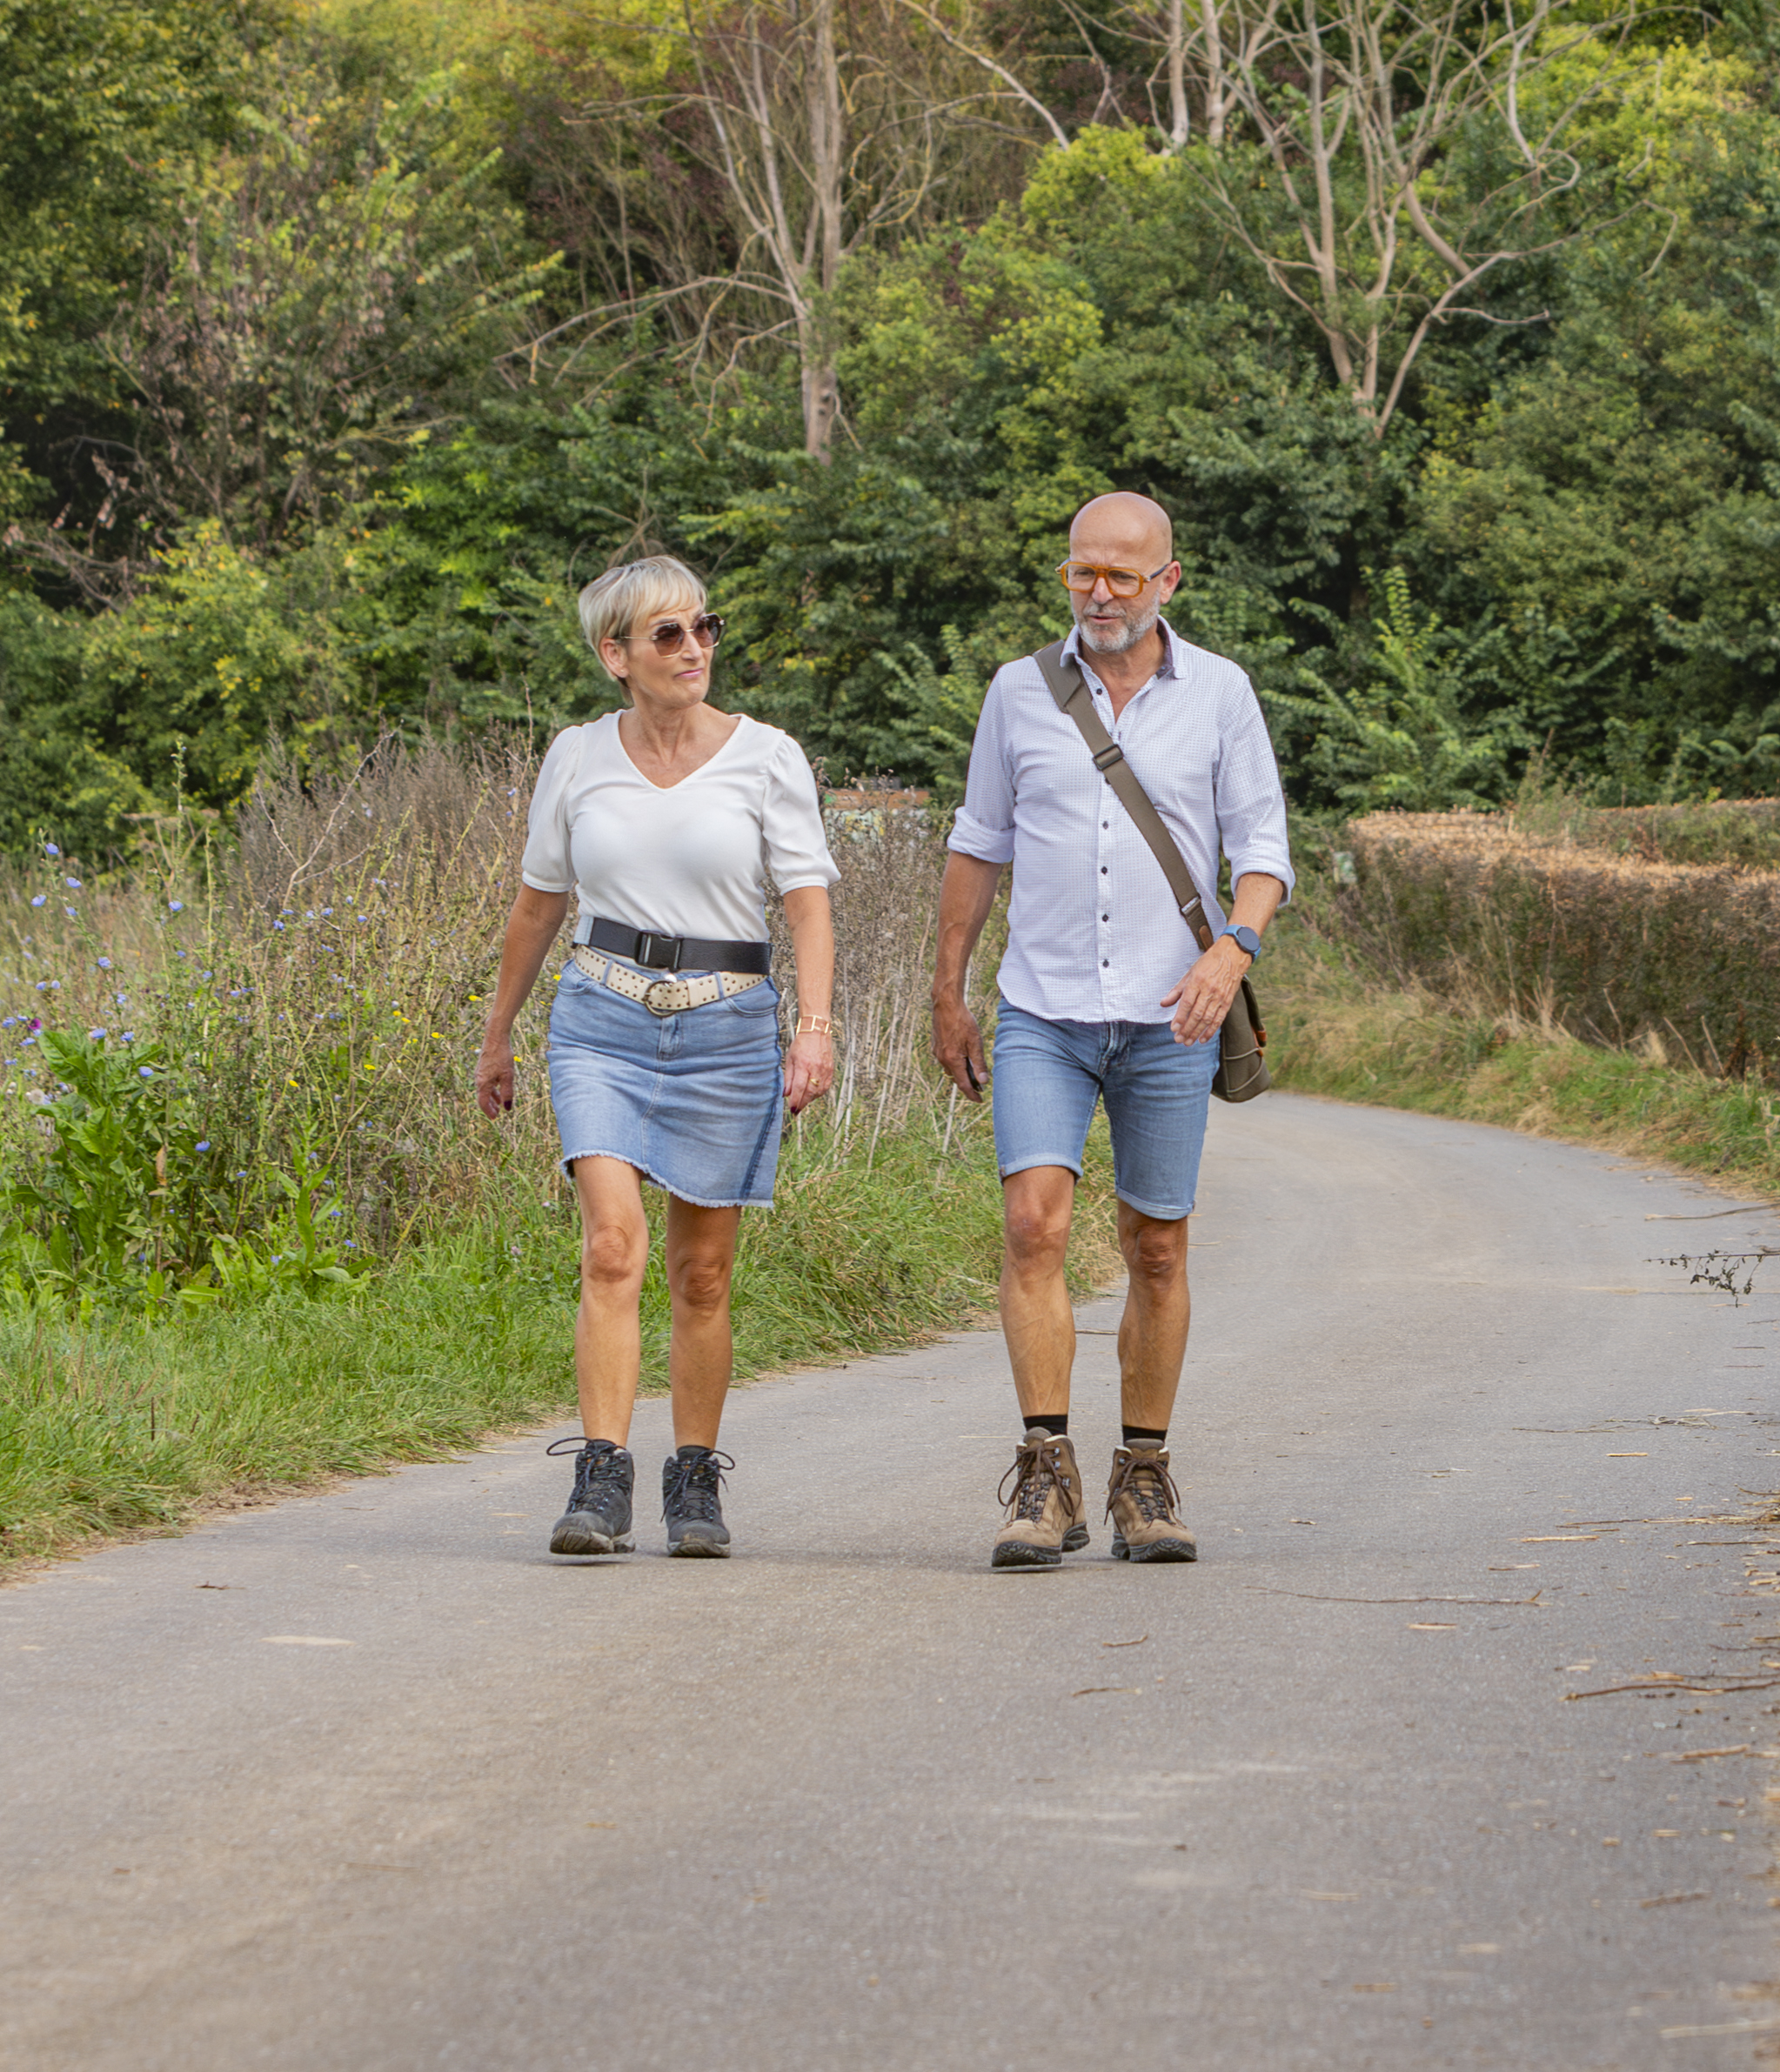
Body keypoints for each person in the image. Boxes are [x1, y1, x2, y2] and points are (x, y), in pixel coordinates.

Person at [927, 490, 1289, 1568]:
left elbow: (1262, 849)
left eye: (1120, 575)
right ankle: (1046, 1474)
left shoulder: (1220, 693)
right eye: (1080, 571)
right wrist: (947, 991)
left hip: (1171, 1018)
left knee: (1157, 1247)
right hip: (1041, 1009)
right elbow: (977, 842)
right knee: (1032, 1228)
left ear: (1165, 581)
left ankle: (1143, 1474)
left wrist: (1232, 950)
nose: (1097, 593)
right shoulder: (1016, 691)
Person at [476, 556, 840, 1558]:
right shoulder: (575, 756)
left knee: (703, 1273)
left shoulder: (766, 757)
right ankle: (600, 1479)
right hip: (602, 1018)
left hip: (726, 1027)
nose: (693, 649)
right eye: (667, 634)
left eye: (702, 628)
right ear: (615, 655)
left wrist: (814, 1027)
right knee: (611, 1245)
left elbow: (806, 902)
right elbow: (538, 904)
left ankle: (693, 1480)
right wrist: (497, 1033)